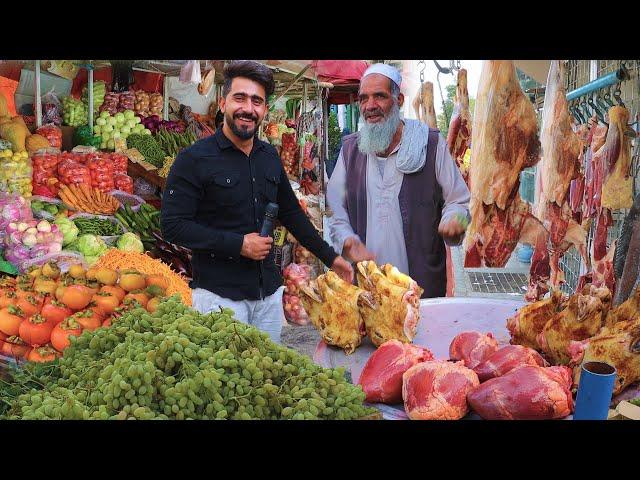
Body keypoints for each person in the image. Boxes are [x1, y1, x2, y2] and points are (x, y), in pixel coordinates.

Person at [161, 60, 353, 342]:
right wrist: (238, 244)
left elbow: (292, 214)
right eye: (240, 98)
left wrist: (331, 257)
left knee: (267, 381)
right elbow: (173, 226)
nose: (248, 109)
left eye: (257, 101)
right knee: (226, 382)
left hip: (268, 298)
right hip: (219, 300)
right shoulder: (194, 159)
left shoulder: (268, 157)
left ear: (263, 109)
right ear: (223, 102)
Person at [326, 63, 470, 298]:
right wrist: (346, 239)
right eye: (363, 99)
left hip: (420, 290)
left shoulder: (431, 144)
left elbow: (460, 201)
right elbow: (335, 209)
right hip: (367, 291)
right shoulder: (350, 150)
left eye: (379, 96)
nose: (370, 106)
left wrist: (454, 219)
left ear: (399, 100)